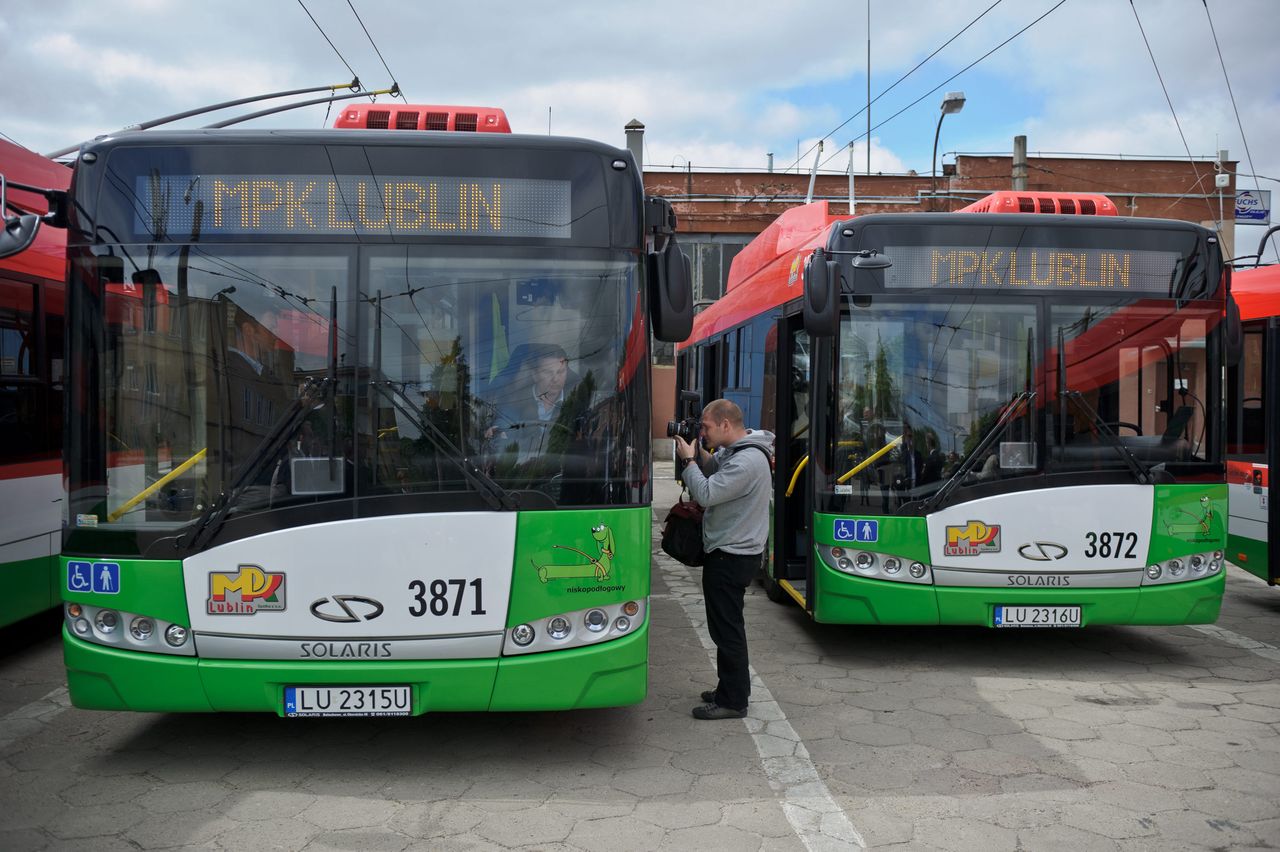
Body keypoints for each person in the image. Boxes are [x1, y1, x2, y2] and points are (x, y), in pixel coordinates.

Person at [672, 399, 775, 721]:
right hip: (731, 551)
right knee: (724, 627)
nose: (703, 432)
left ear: (726, 424)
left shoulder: (747, 461)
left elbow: (706, 493)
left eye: (706, 427)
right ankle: (729, 688)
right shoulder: (737, 451)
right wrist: (699, 453)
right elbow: (716, 470)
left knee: (727, 630)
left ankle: (733, 701)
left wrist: (688, 461)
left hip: (732, 556)